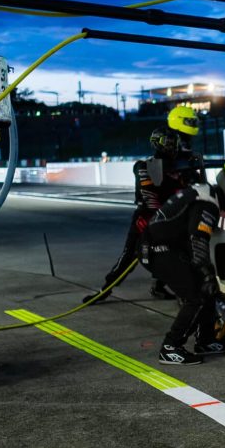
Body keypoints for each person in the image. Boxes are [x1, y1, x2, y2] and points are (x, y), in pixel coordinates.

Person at [83, 106, 205, 303]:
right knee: (130, 255)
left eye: (175, 144)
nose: (175, 147)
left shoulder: (188, 162)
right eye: (171, 144)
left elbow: (196, 186)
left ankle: (160, 286)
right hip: (150, 217)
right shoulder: (145, 167)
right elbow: (151, 198)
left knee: (177, 252)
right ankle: (105, 290)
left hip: (169, 215)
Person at [141, 164, 225, 364]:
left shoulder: (207, 193)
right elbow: (198, 241)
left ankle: (205, 340)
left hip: (165, 246)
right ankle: (170, 347)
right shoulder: (208, 204)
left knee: (206, 290)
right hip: (157, 249)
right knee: (195, 296)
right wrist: (207, 274)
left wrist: (208, 277)